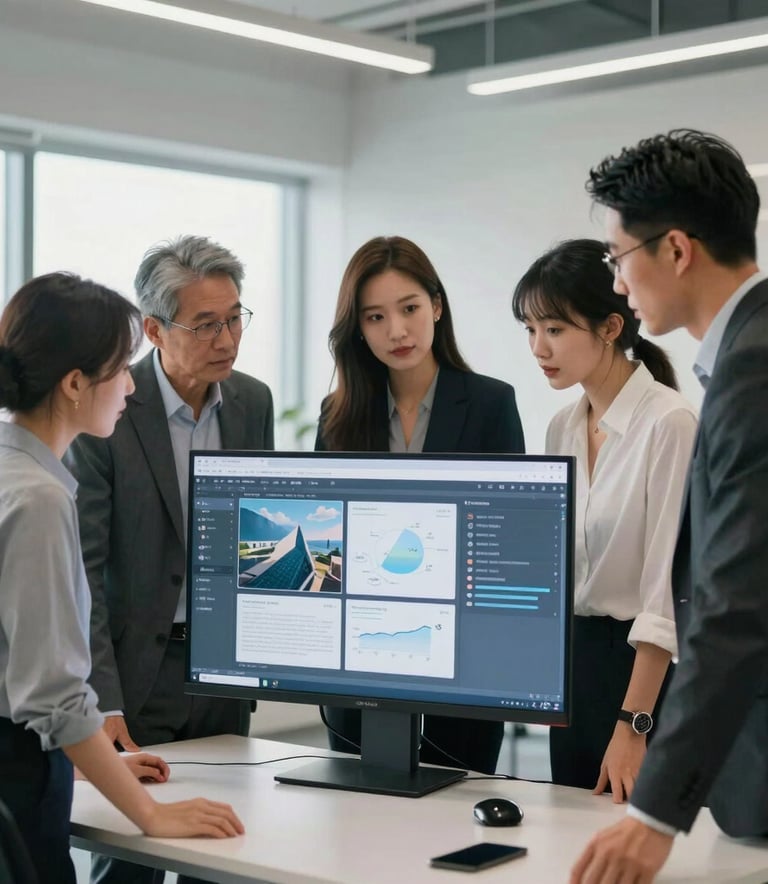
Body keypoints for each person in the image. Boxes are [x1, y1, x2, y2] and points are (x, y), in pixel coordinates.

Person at [0, 273, 244, 884]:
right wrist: (150, 816)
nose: (132, 384)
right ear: (76, 384)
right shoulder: (37, 501)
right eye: (120, 370)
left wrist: (95, 764)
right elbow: (52, 697)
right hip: (18, 782)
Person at [571, 129, 768, 884]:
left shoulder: (754, 366)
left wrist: (654, 816)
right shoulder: (747, 352)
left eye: (618, 259)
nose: (617, 283)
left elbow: (736, 604)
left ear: (677, 250)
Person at [65, 235, 273, 884]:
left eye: (235, 317)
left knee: (227, 852)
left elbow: (254, 542)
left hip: (221, 670)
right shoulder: (110, 407)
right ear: (153, 329)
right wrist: (105, 702)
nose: (227, 339)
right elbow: (85, 573)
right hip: (137, 675)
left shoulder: (252, 402)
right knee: (130, 862)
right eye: (206, 324)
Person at [316, 234, 525, 774]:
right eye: (375, 317)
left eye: (409, 309)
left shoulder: (490, 403)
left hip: (462, 657)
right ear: (357, 329)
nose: (397, 331)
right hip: (359, 657)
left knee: (455, 808)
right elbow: (330, 541)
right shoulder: (338, 416)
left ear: (436, 305)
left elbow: (507, 541)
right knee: (360, 822)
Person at [512, 239, 697, 799]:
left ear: (612, 327)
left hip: (646, 682)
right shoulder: (560, 429)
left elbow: (665, 594)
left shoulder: (670, 422)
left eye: (555, 329)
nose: (539, 348)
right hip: (577, 674)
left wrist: (633, 725)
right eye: (530, 330)